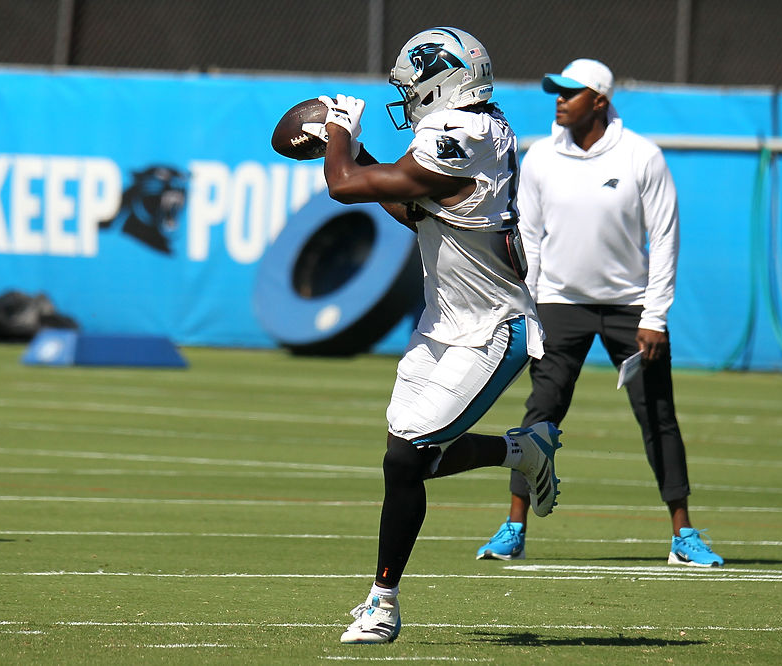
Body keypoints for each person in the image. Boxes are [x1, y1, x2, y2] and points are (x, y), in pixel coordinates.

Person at [307, 27, 562, 644]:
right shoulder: (475, 128)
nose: (407, 96)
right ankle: (522, 451)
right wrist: (358, 153)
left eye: (413, 84)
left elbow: (343, 186)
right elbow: (409, 205)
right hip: (442, 326)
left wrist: (337, 132)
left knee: (406, 455)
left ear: (440, 82)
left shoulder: (461, 134)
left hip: (492, 329)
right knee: (406, 460)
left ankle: (383, 604)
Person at [475, 58, 724, 568]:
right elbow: (529, 239)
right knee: (540, 413)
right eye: (557, 91)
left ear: (600, 101)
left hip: (631, 309)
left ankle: (683, 534)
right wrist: (527, 307)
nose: (560, 100)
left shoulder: (642, 157)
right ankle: (513, 528)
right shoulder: (541, 158)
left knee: (657, 416)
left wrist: (654, 316)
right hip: (558, 304)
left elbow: (665, 239)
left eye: (571, 92)